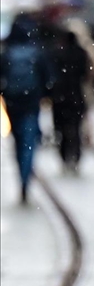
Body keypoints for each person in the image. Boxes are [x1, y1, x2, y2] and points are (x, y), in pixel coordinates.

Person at [0, 15, 54, 203]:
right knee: (29, 140)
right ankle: (25, 177)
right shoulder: (36, 52)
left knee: (18, 139)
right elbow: (48, 78)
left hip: (13, 103)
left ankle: (22, 174)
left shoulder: (8, 52)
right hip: (31, 102)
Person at [49, 29, 91, 175]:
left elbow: (51, 75)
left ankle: (64, 156)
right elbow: (86, 74)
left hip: (59, 97)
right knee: (75, 128)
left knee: (61, 129)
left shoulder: (56, 53)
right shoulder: (81, 53)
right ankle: (75, 156)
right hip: (76, 96)